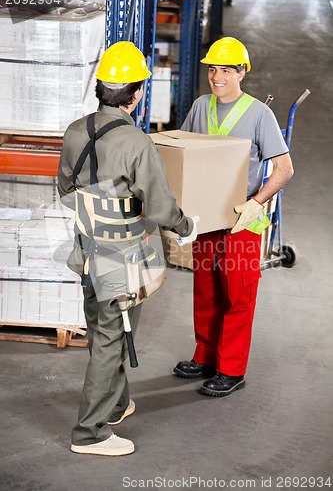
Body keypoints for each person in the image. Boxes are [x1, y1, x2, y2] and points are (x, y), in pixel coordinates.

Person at [57, 41, 198, 456]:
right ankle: (90, 433)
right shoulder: (138, 143)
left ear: (100, 88)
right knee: (110, 338)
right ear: (136, 95)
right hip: (122, 258)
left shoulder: (74, 131)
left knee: (104, 330)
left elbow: (66, 190)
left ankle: (116, 405)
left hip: (86, 251)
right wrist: (186, 227)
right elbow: (160, 206)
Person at [174, 37, 294, 397]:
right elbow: (185, 152)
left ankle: (232, 369)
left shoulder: (260, 114)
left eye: (226, 69)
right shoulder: (199, 107)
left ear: (242, 72)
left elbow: (284, 169)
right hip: (207, 220)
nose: (217, 76)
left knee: (238, 297)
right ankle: (205, 357)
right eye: (213, 69)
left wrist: (257, 202)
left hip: (243, 223)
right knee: (206, 291)